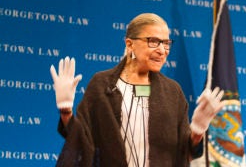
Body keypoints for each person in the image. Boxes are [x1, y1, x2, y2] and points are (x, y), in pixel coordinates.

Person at [50, 13, 225, 167]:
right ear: (130, 44)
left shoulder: (172, 92)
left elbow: (185, 153)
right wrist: (66, 111)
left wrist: (198, 130)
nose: (162, 50)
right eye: (154, 41)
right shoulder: (102, 84)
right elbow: (82, 141)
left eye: (166, 43)